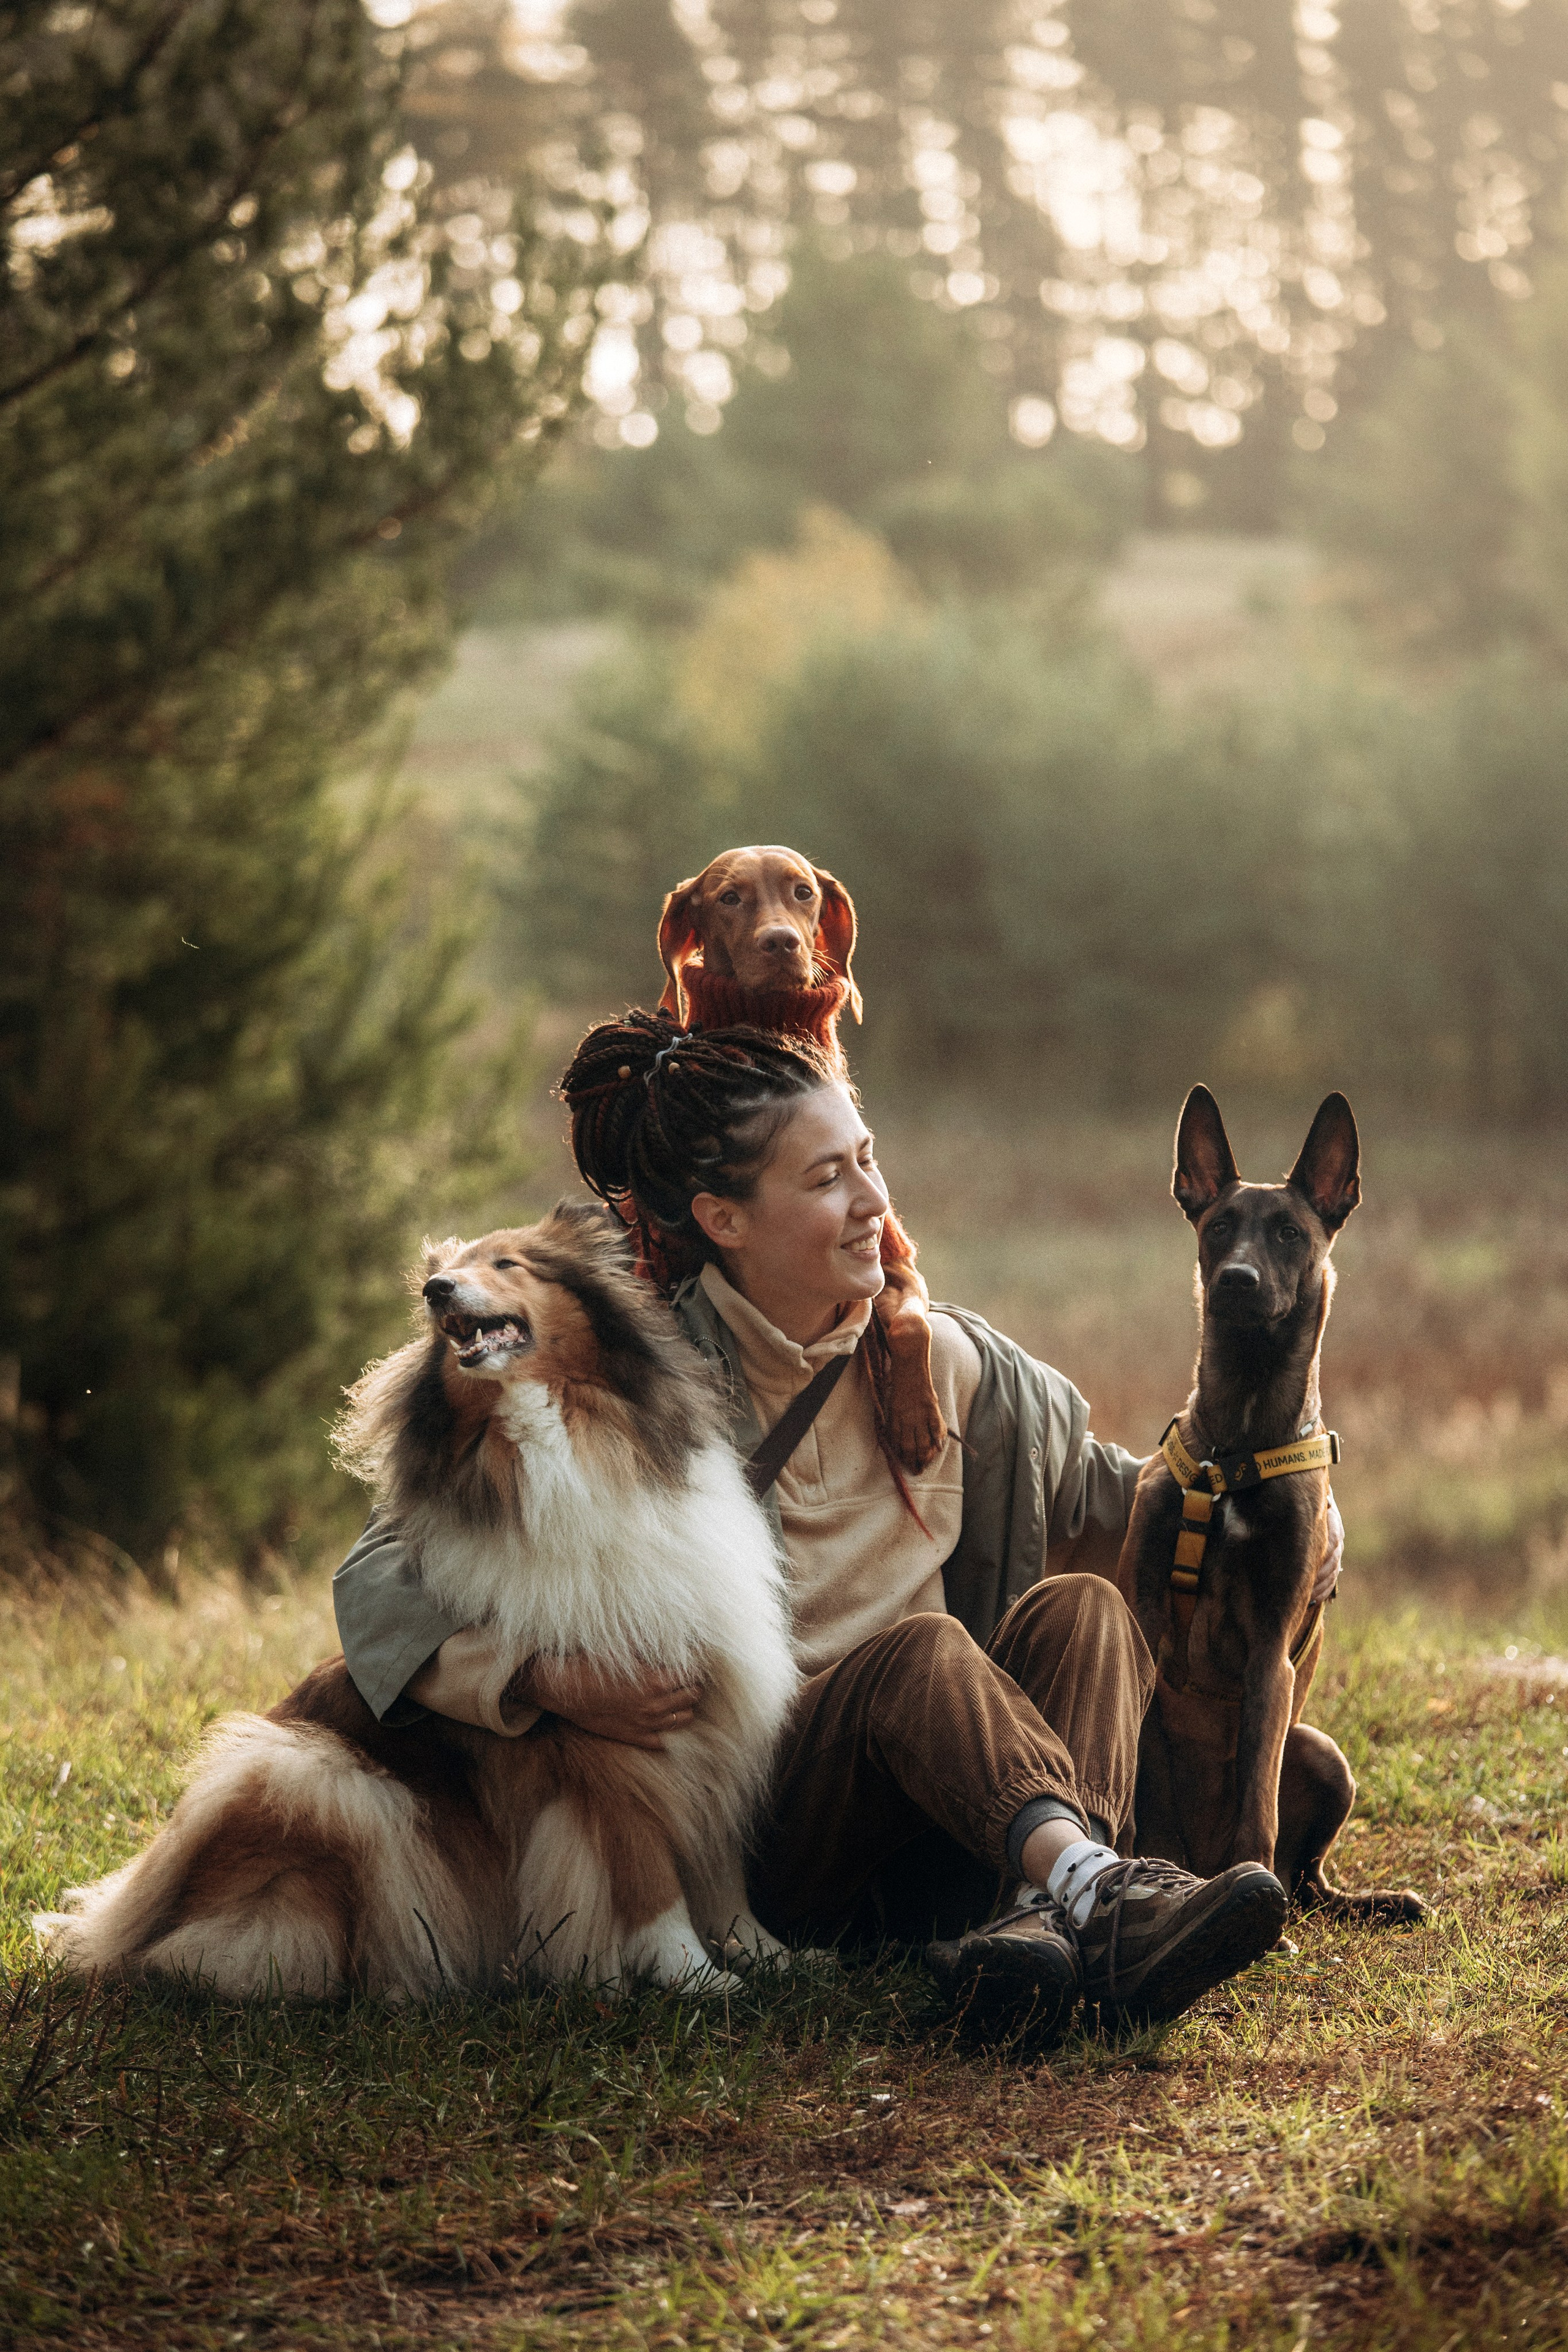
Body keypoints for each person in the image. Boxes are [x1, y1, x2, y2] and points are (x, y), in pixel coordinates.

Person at [334, 1014, 1320, 2037]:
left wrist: (1287, 1492)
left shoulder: (945, 1361)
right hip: (784, 1835)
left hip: (970, 1809)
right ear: (723, 1218)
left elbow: (1120, 1492)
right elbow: (374, 1581)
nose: (874, 1205)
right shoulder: (639, 1381)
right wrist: (542, 1681)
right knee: (923, 1652)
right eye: (826, 1181)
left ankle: (1043, 1926)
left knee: (1085, 1610)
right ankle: (1101, 1901)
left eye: (869, 1161)